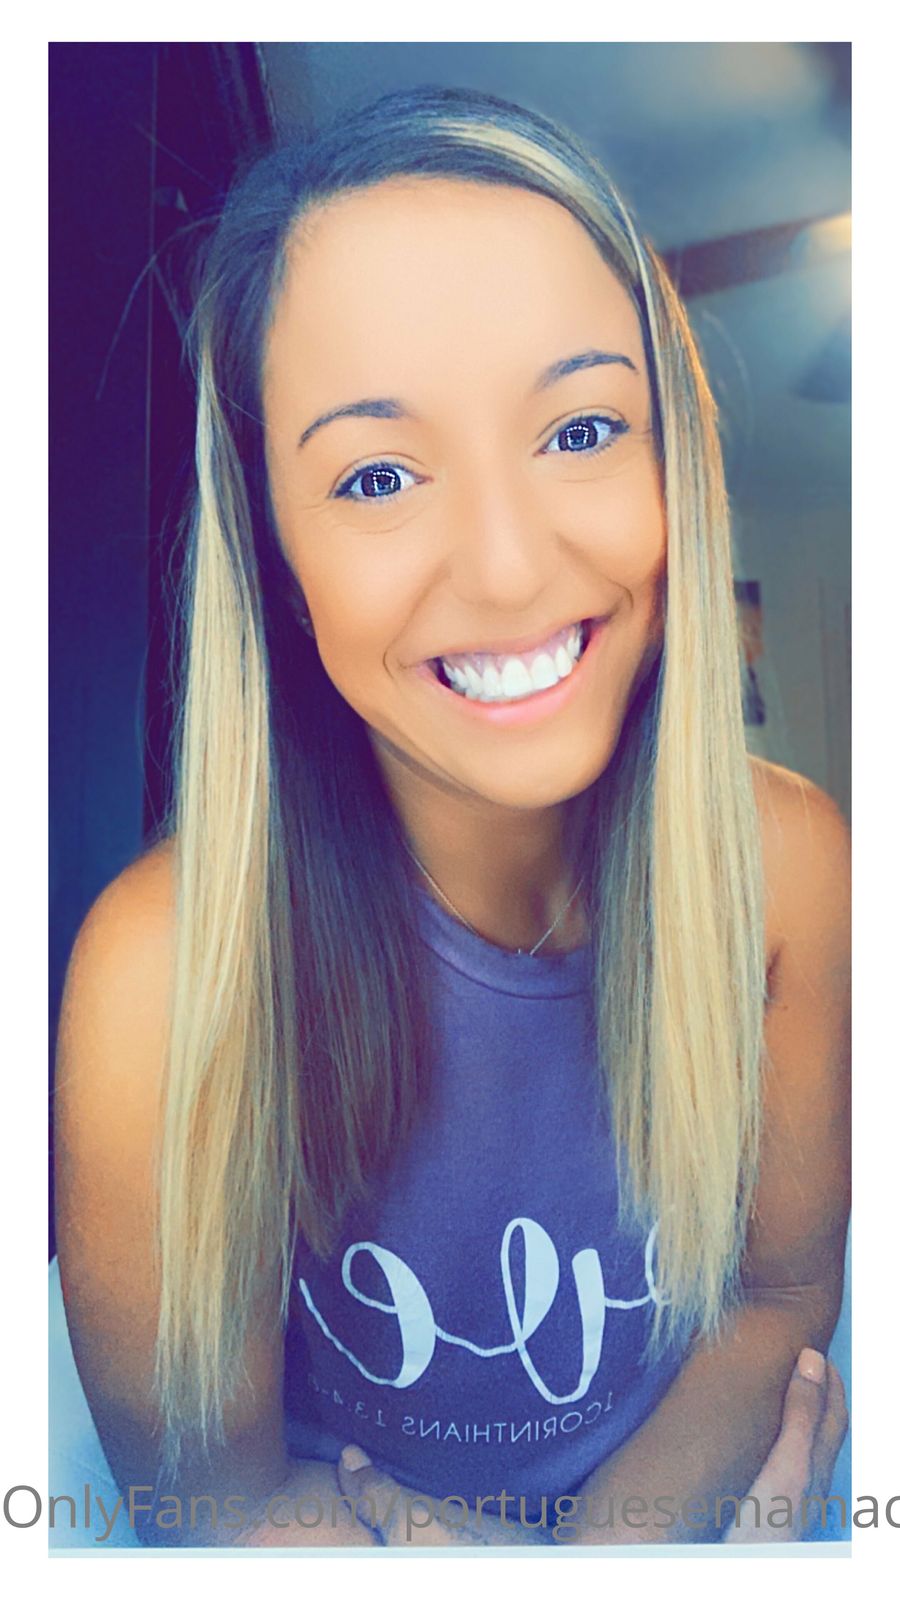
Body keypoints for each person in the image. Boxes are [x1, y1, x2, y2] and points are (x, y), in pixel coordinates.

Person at [53, 86, 850, 1549]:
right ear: (277, 558)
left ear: (674, 461)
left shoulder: (793, 868)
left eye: (582, 427)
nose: (504, 567)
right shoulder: (157, 980)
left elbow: (779, 1294)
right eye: (376, 475)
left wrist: (613, 1567)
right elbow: (215, 1506)